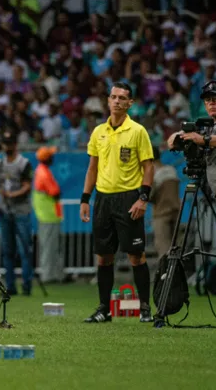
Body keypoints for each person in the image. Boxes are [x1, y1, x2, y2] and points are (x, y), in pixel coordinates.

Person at [80, 82, 155, 323]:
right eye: (113, 97)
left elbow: (148, 166)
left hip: (128, 198)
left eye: (122, 98)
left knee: (136, 255)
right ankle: (104, 309)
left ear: (130, 103)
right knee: (103, 256)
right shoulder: (98, 131)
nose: (117, 101)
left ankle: (145, 308)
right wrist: (85, 199)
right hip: (103, 199)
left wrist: (143, 198)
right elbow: (92, 167)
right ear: (108, 100)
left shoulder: (138, 131)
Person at [168, 80, 216, 236]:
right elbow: (171, 142)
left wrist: (203, 140)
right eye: (208, 100)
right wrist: (178, 137)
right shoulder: (209, 125)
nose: (212, 103)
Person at [0, 130, 34, 295]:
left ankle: (26, 285)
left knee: (25, 249)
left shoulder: (23, 163)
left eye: (9, 144)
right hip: (5, 210)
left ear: (15, 145)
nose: (7, 147)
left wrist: (11, 195)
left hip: (21, 210)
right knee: (7, 250)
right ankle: (10, 286)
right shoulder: (0, 163)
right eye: (5, 144)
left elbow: (27, 186)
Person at [32, 146, 65, 283]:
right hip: (48, 215)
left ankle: (55, 275)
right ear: (47, 159)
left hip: (49, 215)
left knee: (51, 246)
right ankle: (48, 276)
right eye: (51, 155)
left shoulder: (42, 171)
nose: (53, 157)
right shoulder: (43, 173)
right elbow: (55, 192)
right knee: (48, 247)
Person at [150, 146, 180, 259]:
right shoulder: (171, 170)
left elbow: (149, 196)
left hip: (161, 214)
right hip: (176, 212)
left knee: (163, 248)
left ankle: (165, 275)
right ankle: (176, 274)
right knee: (175, 248)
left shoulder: (154, 173)